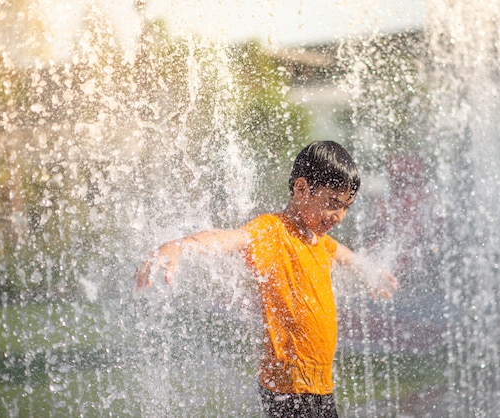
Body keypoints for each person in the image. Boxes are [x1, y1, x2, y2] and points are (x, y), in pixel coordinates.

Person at [134, 140, 397, 417]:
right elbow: (230, 238)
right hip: (289, 389)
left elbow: (342, 254)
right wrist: (181, 245)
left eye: (346, 207)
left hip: (319, 386)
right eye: (333, 203)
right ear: (302, 189)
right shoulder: (273, 231)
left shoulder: (319, 241)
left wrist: (367, 271)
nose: (340, 216)